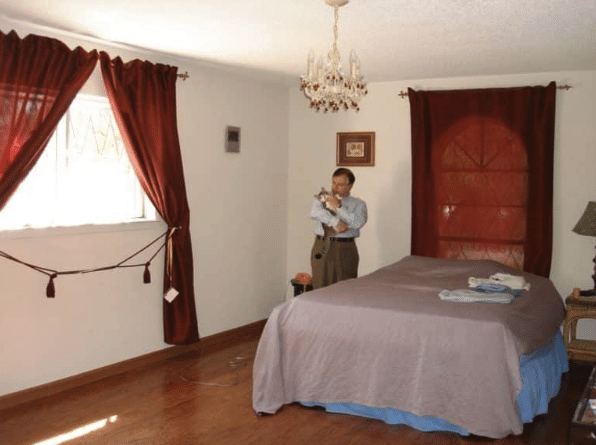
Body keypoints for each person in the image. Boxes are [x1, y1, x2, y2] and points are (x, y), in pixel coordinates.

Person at [310, 168, 367, 289]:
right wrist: (336, 222)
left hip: (345, 249)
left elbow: (357, 223)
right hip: (322, 245)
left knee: (345, 288)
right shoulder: (322, 198)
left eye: (340, 184)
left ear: (350, 186)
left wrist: (339, 207)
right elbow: (315, 212)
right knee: (320, 287)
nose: (335, 187)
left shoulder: (358, 204)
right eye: (333, 182)